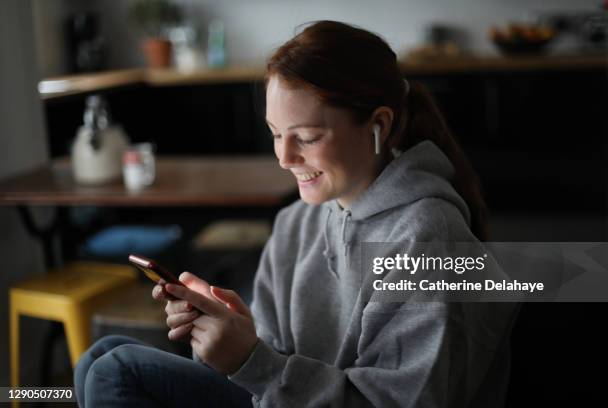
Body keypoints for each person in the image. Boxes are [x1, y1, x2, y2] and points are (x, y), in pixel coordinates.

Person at [75, 20, 517, 407]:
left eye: (305, 137)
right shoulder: (297, 223)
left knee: (118, 370)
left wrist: (254, 363)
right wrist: (234, 334)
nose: (284, 158)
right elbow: (271, 361)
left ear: (378, 126)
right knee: (101, 356)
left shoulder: (424, 237)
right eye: (274, 134)